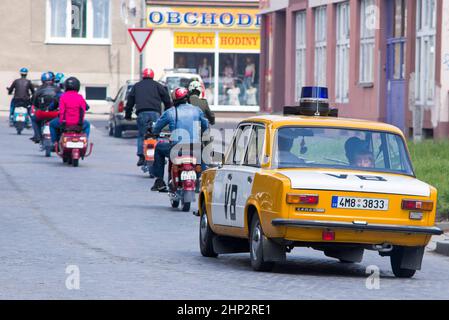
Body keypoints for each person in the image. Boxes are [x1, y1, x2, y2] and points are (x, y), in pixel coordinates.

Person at [150, 87, 209, 192]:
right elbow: (205, 125)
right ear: (187, 98)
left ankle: (159, 181)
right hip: (194, 148)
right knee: (202, 154)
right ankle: (203, 180)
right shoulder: (197, 110)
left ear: (175, 100)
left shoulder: (170, 112)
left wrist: (153, 132)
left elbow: (157, 127)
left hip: (177, 149)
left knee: (159, 147)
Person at [125, 68, 172, 167]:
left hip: (142, 113)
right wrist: (168, 111)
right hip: (155, 113)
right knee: (156, 134)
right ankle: (159, 153)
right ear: (152, 76)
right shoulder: (158, 85)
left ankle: (141, 156)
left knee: (142, 135)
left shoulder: (136, 86)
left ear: (143, 76)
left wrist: (128, 115)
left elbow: (130, 101)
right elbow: (167, 98)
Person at [49, 77, 91, 144]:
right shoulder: (80, 97)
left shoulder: (63, 96)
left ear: (65, 86)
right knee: (87, 125)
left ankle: (54, 143)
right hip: (78, 124)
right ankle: (85, 141)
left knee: (51, 124)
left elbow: (61, 111)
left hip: (65, 124)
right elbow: (84, 109)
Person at [30, 72, 61, 143]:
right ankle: (58, 139)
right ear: (52, 80)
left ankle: (37, 136)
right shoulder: (57, 89)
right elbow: (61, 100)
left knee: (34, 119)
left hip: (42, 113)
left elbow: (34, 103)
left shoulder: (39, 89)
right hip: (54, 114)